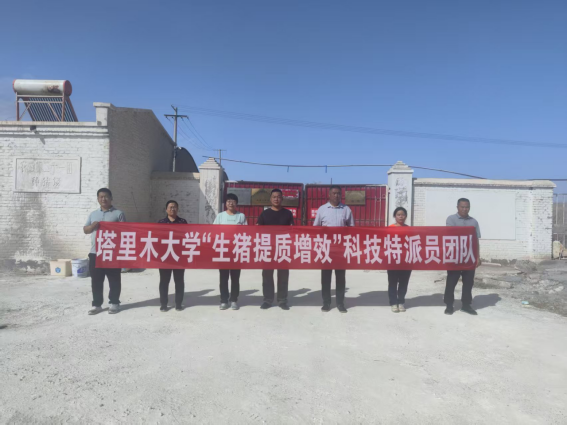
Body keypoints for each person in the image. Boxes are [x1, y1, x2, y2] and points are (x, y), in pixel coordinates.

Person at [83, 188, 126, 315]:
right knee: (96, 280)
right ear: (98, 199)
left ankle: (114, 303)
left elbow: (125, 232)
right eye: (101, 197)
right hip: (95, 253)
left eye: (106, 196)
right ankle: (97, 305)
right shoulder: (93, 214)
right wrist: (92, 226)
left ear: (111, 198)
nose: (103, 199)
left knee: (114, 279)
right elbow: (86, 230)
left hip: (112, 253)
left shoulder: (118, 214)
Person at [313, 185, 355, 313]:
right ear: (329, 195)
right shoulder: (322, 209)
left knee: (340, 277)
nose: (336, 195)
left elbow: (352, 228)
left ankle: (340, 303)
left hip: (341, 249)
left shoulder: (346, 209)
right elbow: (316, 228)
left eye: (338, 193)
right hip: (326, 248)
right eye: (334, 193)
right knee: (326, 277)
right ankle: (326, 303)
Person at [257, 189, 295, 310]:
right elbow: (257, 230)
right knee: (267, 275)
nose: (276, 199)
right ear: (270, 199)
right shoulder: (264, 214)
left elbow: (292, 230)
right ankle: (267, 300)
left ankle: (282, 300)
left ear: (282, 199)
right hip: (268, 248)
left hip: (283, 248)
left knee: (283, 275)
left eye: (278, 197)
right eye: (274, 197)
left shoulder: (288, 213)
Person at [445, 198, 482, 316]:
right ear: (457, 207)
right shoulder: (451, 219)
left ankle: (466, 305)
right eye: (462, 207)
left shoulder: (474, 222)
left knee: (468, 282)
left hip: (469, 257)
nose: (465, 209)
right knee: (451, 282)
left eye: (467, 207)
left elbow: (476, 240)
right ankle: (449, 305)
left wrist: (477, 257)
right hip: (454, 257)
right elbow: (450, 235)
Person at [214, 193, 248, 311]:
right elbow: (213, 231)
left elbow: (246, 233)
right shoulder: (220, 216)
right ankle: (224, 300)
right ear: (225, 203)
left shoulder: (241, 216)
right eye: (228, 201)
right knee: (223, 277)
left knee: (235, 277)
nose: (231, 203)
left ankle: (234, 300)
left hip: (236, 251)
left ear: (236, 203)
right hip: (223, 250)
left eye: (233, 201)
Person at [158, 200, 188, 312]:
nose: (172, 209)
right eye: (170, 207)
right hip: (165, 256)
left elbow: (187, 236)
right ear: (166, 209)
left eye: (174, 207)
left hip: (179, 256)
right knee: (164, 281)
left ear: (177, 209)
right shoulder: (161, 223)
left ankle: (178, 304)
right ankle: (163, 304)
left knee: (179, 281)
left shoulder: (183, 222)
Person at [387, 207, 412, 313]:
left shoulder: (410, 229)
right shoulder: (390, 228)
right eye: (398, 214)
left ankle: (401, 302)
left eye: (403, 214)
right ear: (395, 216)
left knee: (403, 282)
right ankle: (393, 303)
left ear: (406, 216)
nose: (401, 216)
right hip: (393, 259)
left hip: (406, 260)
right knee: (392, 282)